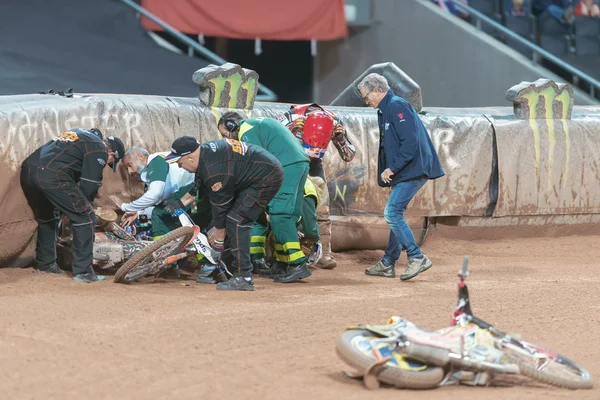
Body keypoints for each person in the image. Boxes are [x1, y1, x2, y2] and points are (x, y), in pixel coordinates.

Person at [163, 136, 284, 291]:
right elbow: (201, 183)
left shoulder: (214, 169)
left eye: (179, 163)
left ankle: (244, 277)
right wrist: (180, 202)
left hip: (266, 177)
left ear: (190, 157)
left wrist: (219, 240)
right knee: (228, 222)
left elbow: (221, 206)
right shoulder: (205, 155)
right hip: (251, 173)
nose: (180, 167)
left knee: (237, 221)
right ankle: (225, 268)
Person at [358, 73, 445, 281]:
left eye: (366, 95)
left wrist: (392, 168)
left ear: (378, 90)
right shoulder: (386, 109)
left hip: (413, 169)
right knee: (395, 213)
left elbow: (410, 143)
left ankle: (417, 257)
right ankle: (388, 262)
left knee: (391, 213)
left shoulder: (396, 106)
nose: (365, 100)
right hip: (407, 170)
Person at [217, 112, 312, 284]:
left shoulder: (246, 130)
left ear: (232, 126)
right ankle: (282, 264)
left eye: (226, 134)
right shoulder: (258, 125)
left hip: (286, 166)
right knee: (287, 216)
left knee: (280, 216)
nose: (228, 140)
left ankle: (297, 263)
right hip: (298, 163)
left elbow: (255, 161)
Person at [20, 128, 125, 282]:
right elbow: (88, 186)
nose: (107, 165)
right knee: (86, 217)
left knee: (48, 217)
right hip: (51, 175)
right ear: (112, 154)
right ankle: (83, 272)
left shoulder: (79, 136)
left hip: (28, 170)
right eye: (110, 163)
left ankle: (46, 264)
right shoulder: (99, 148)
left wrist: (70, 208)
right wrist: (82, 209)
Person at [277, 103, 356, 270]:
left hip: (314, 164)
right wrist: (288, 131)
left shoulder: (335, 122)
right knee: (285, 205)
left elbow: (348, 156)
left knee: (322, 209)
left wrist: (340, 138)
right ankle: (279, 251)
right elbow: (270, 143)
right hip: (288, 160)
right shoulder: (290, 118)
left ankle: (324, 254)